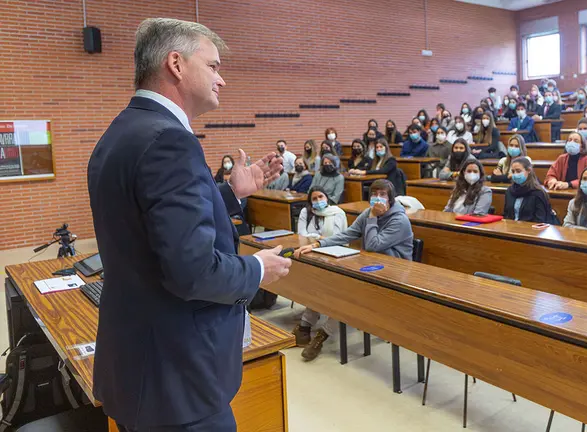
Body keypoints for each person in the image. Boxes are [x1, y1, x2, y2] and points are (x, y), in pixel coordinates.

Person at [87, 18, 292, 431]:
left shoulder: (123, 130)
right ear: (176, 64)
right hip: (177, 380)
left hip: (139, 366)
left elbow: (152, 226)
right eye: (214, 66)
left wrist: (231, 194)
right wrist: (257, 269)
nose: (222, 80)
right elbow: (192, 271)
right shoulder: (171, 140)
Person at [294, 180, 413, 357]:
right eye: (374, 194)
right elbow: (348, 234)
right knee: (326, 281)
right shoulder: (368, 214)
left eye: (382, 195)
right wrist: (318, 244)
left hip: (393, 272)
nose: (377, 198)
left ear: (391, 199)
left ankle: (323, 335)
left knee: (347, 293)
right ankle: (305, 326)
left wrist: (372, 217)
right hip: (370, 266)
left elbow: (373, 244)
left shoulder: (399, 220)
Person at [292, 187, 348, 360]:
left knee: (340, 299)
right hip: (313, 255)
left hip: (336, 258)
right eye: (314, 198)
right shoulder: (307, 212)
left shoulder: (337, 212)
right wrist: (318, 239)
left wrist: (316, 239)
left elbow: (337, 237)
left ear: (327, 197)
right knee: (316, 290)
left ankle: (321, 335)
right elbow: (301, 235)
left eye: (320, 197)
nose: (317, 201)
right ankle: (305, 326)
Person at [503, 157, 552, 222]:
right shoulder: (510, 191)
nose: (515, 174)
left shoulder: (538, 193)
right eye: (513, 171)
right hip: (511, 228)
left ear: (528, 170)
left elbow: (540, 220)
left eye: (518, 171)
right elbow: (506, 215)